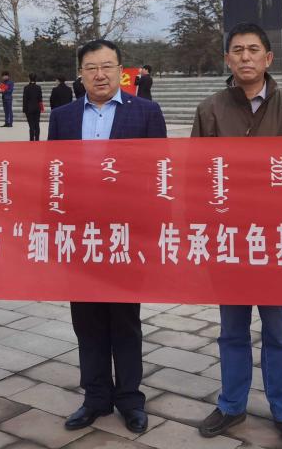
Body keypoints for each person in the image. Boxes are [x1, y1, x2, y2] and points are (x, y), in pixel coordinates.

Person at [193, 22, 282, 448]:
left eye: (253, 50)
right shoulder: (210, 110)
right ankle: (231, 405)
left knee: (278, 330)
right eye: (238, 50)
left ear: (268, 57)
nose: (246, 57)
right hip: (229, 240)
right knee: (232, 329)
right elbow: (196, 178)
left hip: (276, 241)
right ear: (227, 59)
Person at [48, 39, 166, 435]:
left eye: (107, 66)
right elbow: (52, 174)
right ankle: (96, 397)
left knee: (125, 319)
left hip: (127, 236)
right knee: (87, 320)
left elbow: (160, 174)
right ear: (80, 73)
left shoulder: (146, 112)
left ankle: (130, 399)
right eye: (91, 67)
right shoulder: (63, 117)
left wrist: (153, 232)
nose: (100, 75)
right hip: (80, 236)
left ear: (121, 71)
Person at [22, 73, 43, 142]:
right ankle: (37, 139)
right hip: (37, 108)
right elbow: (40, 99)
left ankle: (31, 139)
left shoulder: (26, 88)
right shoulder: (38, 87)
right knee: (37, 124)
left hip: (29, 108)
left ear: (29, 79)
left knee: (31, 124)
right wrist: (41, 108)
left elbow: (25, 100)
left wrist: (24, 110)